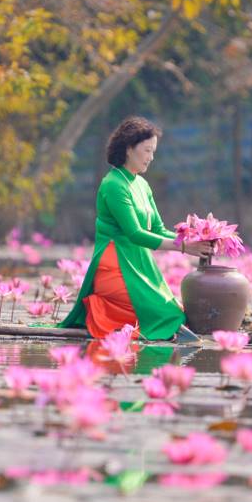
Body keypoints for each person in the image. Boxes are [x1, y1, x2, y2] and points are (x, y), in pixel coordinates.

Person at [58, 116, 211, 342]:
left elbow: (158, 229)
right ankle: (101, 307)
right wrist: (184, 247)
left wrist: (194, 239)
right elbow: (135, 234)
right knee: (165, 315)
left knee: (174, 311)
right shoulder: (113, 184)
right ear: (129, 148)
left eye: (153, 152)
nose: (151, 157)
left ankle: (118, 312)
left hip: (139, 265)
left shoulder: (142, 184)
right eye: (147, 150)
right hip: (116, 266)